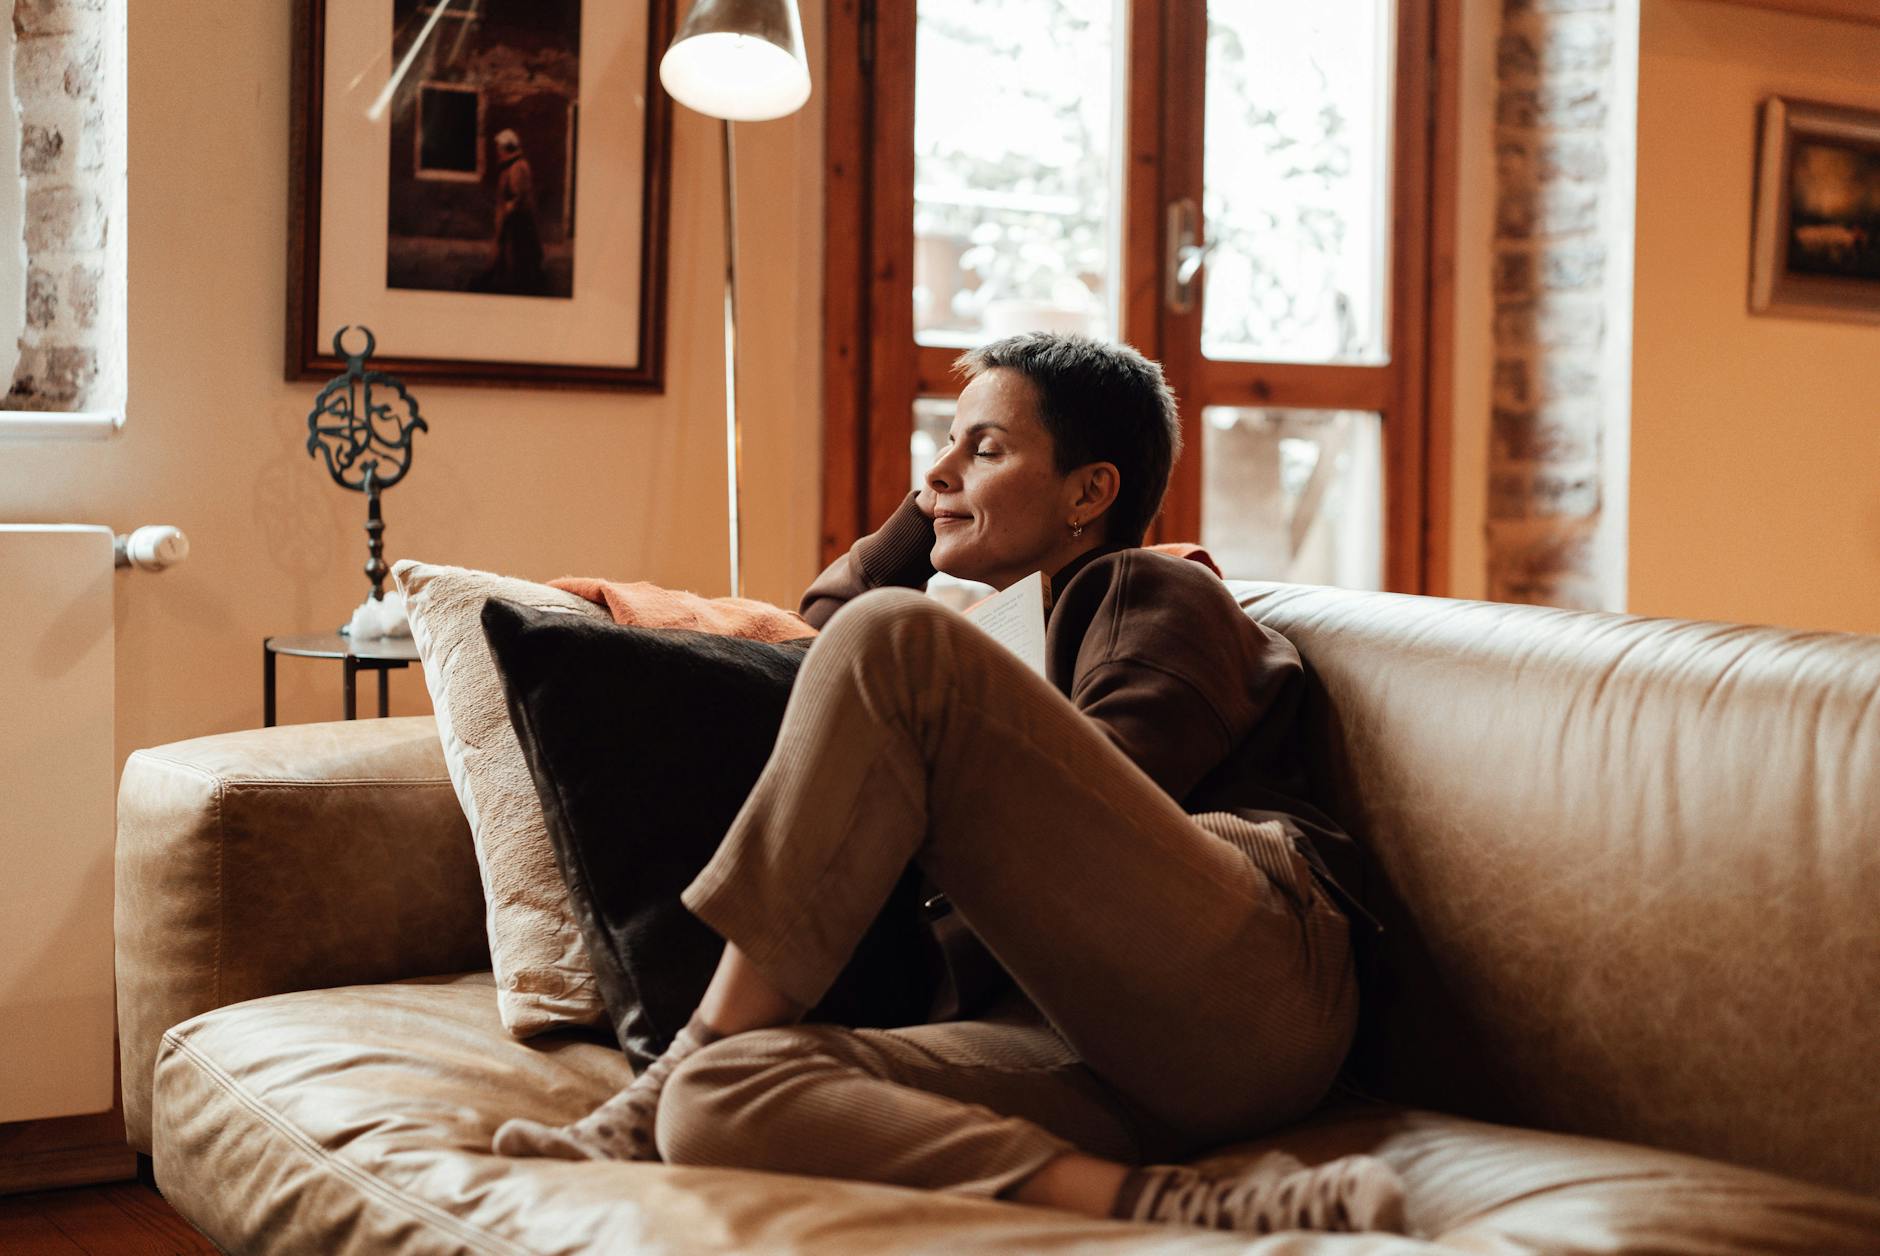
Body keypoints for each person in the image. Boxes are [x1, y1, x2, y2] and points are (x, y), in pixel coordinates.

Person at [494, 333, 1407, 1237]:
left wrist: (936, 720)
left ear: (1090, 491)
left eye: (988, 448)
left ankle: (679, 1054)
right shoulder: (998, 628)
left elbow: (1101, 808)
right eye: (944, 445)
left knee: (895, 641)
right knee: (717, 1101)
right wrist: (933, 507)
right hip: (1096, 1044)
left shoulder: (1152, 588)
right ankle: (1191, 1207)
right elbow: (824, 647)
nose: (940, 473)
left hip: (1254, 976)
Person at [483, 128, 545, 295]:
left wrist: (508, 210)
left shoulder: (517, 167)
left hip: (517, 219)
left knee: (516, 252)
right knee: (509, 253)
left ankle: (517, 284)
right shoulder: (511, 165)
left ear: (506, 148)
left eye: (500, 148)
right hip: (513, 217)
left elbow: (518, 195)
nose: (498, 152)